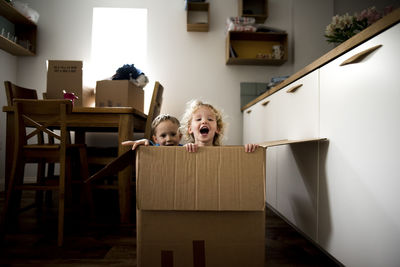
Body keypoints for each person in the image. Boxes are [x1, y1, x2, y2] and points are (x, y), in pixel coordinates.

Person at [180, 99, 258, 152]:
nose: (204, 121)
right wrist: (184, 150)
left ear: (218, 129)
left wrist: (249, 149)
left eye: (210, 119)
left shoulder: (222, 152)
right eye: (198, 119)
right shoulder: (187, 149)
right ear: (190, 129)